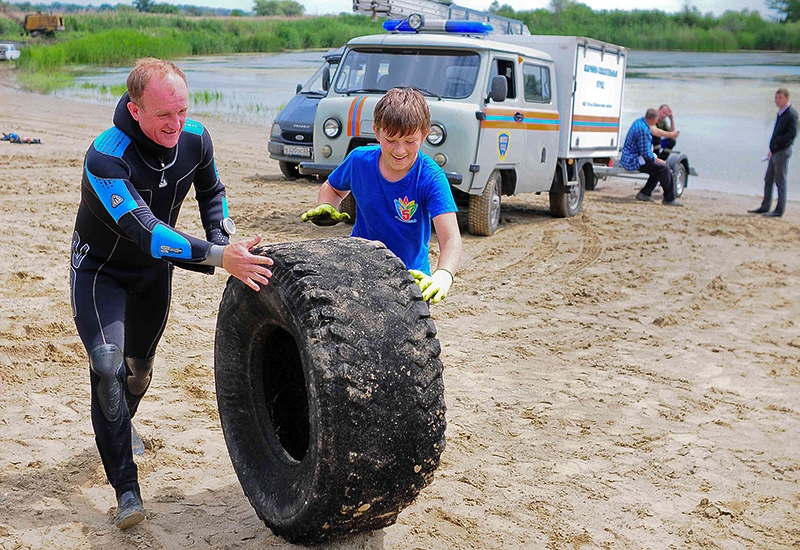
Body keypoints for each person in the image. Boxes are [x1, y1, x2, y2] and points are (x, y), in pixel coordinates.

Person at [70, 58, 274, 530]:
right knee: (107, 366)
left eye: (182, 111)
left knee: (137, 373)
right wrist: (222, 260)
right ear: (135, 109)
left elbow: (213, 194)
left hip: (151, 277)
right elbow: (148, 233)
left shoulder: (196, 138)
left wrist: (223, 240)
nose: (176, 124)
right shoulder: (106, 157)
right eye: (164, 115)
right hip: (101, 273)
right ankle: (126, 490)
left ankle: (122, 422)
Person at [301, 87, 462, 303]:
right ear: (377, 132)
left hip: (409, 277)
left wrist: (444, 275)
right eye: (391, 140)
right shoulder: (359, 160)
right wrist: (328, 205)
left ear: (424, 135)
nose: (399, 150)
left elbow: (450, 238)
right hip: (357, 267)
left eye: (409, 141)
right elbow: (333, 188)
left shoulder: (431, 177)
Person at [748, 87, 799, 217]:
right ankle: (765, 206)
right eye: (776, 98)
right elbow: (777, 132)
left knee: (780, 180)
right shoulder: (781, 112)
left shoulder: (791, 113)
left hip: (782, 151)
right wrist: (771, 149)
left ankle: (779, 210)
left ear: (787, 98)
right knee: (768, 179)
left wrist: (777, 144)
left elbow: (791, 134)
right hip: (775, 151)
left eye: (780, 98)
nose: (777, 100)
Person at [620, 108, 683, 206]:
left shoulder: (640, 122)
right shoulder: (643, 130)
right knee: (665, 168)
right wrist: (658, 160)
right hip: (633, 160)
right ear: (654, 119)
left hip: (632, 156)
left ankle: (645, 193)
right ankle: (669, 199)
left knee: (658, 169)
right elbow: (646, 154)